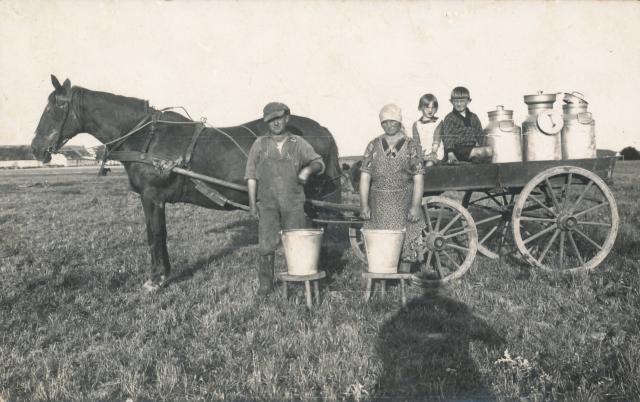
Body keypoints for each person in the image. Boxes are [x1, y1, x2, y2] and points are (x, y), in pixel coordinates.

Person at [245, 102, 325, 295]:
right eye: (271, 120)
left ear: (286, 118)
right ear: (266, 123)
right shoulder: (260, 144)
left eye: (279, 118)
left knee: (296, 242)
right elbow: (251, 176)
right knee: (266, 244)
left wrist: (307, 170)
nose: (275, 123)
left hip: (294, 202)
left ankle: (298, 285)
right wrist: (252, 204)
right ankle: (265, 285)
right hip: (268, 203)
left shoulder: (298, 143)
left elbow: (318, 163)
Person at [359, 104, 425, 272]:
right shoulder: (373, 145)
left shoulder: (411, 146)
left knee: (405, 236)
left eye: (392, 121)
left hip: (403, 200)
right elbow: (365, 176)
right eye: (385, 122)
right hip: (378, 202)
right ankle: (383, 274)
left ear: (399, 121)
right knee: (380, 241)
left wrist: (416, 206)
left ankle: (403, 275)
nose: (389, 125)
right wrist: (364, 205)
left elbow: (418, 177)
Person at [441, 86, 492, 163]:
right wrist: (450, 153)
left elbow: (480, 135)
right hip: (457, 149)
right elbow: (448, 136)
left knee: (489, 151)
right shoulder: (449, 118)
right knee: (483, 152)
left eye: (462, 101)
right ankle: (459, 160)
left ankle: (472, 159)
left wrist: (485, 146)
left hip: (471, 148)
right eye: (456, 101)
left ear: (468, 101)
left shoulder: (474, 117)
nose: (459, 104)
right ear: (451, 102)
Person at [412, 93, 444, 166]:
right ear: (420, 107)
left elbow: (437, 139)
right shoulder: (416, 124)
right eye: (427, 107)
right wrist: (419, 154)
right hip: (422, 153)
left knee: (429, 164)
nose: (430, 110)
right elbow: (416, 142)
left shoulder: (438, 122)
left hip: (435, 153)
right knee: (416, 165)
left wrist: (433, 152)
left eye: (433, 107)